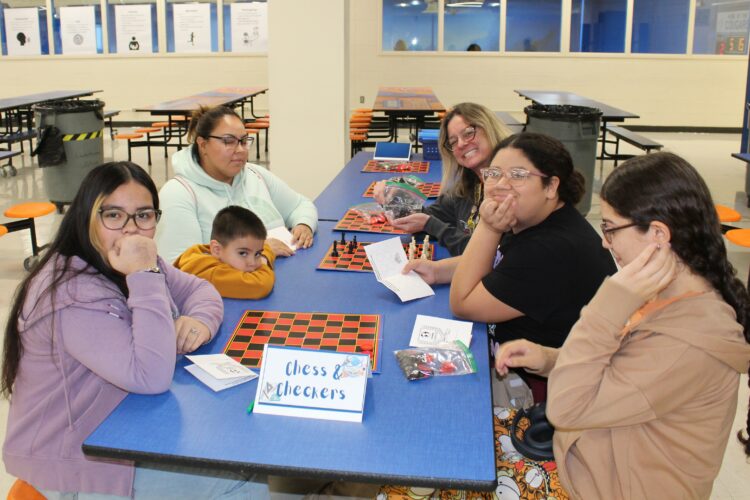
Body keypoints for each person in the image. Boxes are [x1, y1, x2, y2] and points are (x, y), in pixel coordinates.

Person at [1, 162, 267, 499]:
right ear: (87, 217)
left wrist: (198, 321)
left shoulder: (125, 258)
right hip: (76, 463)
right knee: (249, 484)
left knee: (245, 457)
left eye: (144, 215)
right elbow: (151, 377)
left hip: (122, 425)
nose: (131, 230)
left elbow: (201, 291)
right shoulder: (71, 294)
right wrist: (145, 277)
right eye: (113, 215)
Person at [495, 152, 750, 499]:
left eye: (611, 229)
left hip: (600, 486)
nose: (604, 242)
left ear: (658, 234)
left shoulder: (689, 340)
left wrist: (608, 304)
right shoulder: (665, 296)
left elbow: (566, 409)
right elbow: (618, 373)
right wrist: (550, 358)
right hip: (595, 459)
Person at [406, 133, 616, 401]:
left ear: (551, 186)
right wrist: (439, 270)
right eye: (494, 173)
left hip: (540, 391)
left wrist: (489, 227)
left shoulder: (551, 249)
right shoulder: (537, 219)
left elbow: (462, 303)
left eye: (518, 175)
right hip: (513, 362)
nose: (500, 185)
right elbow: (501, 262)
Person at [156, 105, 318, 261]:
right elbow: (181, 268)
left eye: (243, 141)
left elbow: (300, 205)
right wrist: (260, 252)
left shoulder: (255, 174)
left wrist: (304, 224)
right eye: (228, 141)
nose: (240, 150)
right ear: (203, 145)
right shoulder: (178, 194)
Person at [373, 102, 511, 255]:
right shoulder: (466, 187)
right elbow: (425, 216)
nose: (461, 144)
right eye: (453, 142)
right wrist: (394, 196)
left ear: (489, 129)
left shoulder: (510, 191)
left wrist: (432, 226)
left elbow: (487, 255)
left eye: (468, 133)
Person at [174, 205, 275, 299]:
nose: (252, 262)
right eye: (243, 253)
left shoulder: (207, 253)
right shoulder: (211, 274)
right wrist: (264, 258)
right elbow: (261, 285)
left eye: (257, 254)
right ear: (216, 250)